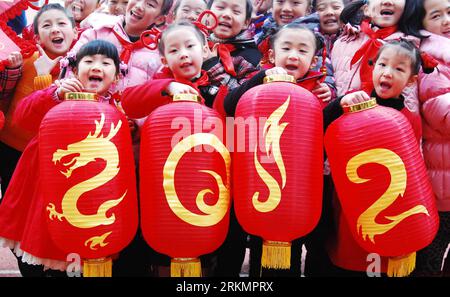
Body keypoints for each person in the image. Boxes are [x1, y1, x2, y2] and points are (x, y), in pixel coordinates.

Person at [0, 40, 126, 276]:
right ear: (75, 70)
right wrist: (55, 93)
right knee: (39, 251)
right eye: (89, 61)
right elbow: (23, 117)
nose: (96, 67)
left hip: (90, 195)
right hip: (46, 187)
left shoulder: (116, 109)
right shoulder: (58, 93)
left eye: (106, 63)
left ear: (116, 76)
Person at [223, 23, 329, 277]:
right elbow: (230, 105)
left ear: (313, 61)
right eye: (287, 48)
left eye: (302, 51)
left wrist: (332, 104)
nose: (293, 55)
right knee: (252, 243)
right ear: (271, 55)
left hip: (296, 192)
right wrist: (261, 78)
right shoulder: (256, 87)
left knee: (288, 255)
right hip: (258, 183)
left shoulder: (319, 92)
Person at [323, 39, 432, 276]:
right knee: (350, 256)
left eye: (399, 69)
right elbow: (322, 124)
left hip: (389, 203)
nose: (387, 73)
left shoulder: (408, 118)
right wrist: (339, 103)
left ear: (411, 80)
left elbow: (411, 173)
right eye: (382, 65)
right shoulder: (352, 101)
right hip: (352, 198)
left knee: (381, 262)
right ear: (373, 68)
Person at [412, 0, 450, 277]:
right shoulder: (432, 61)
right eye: (436, 16)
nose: (447, 21)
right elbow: (443, 113)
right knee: (430, 257)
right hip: (441, 186)